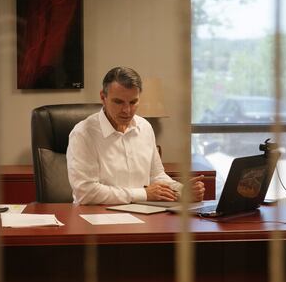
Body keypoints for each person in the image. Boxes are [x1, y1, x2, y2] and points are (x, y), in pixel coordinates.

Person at [66, 66, 206, 205]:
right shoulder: (83, 134)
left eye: (133, 102)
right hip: (95, 217)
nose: (127, 110)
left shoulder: (145, 127)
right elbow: (86, 193)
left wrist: (181, 190)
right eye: (118, 102)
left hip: (143, 212)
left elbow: (156, 176)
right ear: (103, 97)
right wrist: (144, 194)